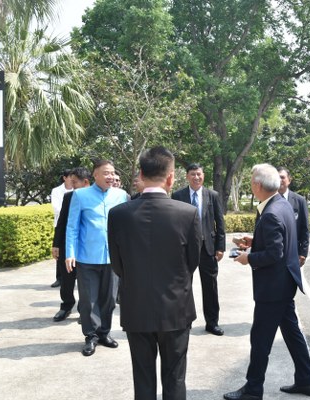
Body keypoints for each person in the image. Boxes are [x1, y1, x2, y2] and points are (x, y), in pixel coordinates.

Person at [108, 147, 202, 400]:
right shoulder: (187, 213)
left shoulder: (118, 214)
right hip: (176, 307)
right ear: (171, 177)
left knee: (143, 378)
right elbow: (192, 262)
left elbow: (117, 265)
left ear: (140, 173)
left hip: (136, 306)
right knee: (175, 378)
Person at [224, 163, 310, 400]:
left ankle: (253, 390)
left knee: (260, 339)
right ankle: (306, 380)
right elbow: (280, 241)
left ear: (257, 185)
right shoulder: (281, 204)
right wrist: (255, 241)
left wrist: (248, 257)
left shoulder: (271, 213)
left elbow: (275, 253)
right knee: (292, 333)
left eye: (251, 181)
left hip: (273, 288)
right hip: (284, 284)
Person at [65, 159, 129, 356]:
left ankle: (104, 333)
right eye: (106, 173)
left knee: (109, 300)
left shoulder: (121, 196)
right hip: (87, 258)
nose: (110, 176)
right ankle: (90, 336)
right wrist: (70, 253)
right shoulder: (80, 195)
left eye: (112, 172)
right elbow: (72, 227)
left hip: (112, 258)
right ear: (95, 175)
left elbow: (126, 226)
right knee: (88, 301)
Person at [172, 163, 226, 336]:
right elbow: (174, 223)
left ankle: (212, 323)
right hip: (185, 249)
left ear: (203, 176)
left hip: (208, 248)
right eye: (193, 174)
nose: (196, 177)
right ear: (187, 176)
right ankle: (184, 322)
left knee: (210, 287)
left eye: (199, 174)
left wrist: (220, 247)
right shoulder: (178, 195)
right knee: (183, 286)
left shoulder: (212, 195)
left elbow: (220, 222)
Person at [51, 167, 91, 322]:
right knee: (66, 280)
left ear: (85, 182)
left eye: (75, 182)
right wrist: (56, 244)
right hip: (67, 245)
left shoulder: (95, 197)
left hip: (86, 247)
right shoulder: (69, 197)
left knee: (85, 282)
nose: (72, 185)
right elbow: (61, 222)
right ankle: (66, 306)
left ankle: (84, 310)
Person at [277, 167, 310, 267]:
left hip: (293, 252)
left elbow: (305, 229)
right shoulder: (267, 201)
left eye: (282, 177)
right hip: (272, 253)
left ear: (289, 180)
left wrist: (303, 253)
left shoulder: (300, 201)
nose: (279, 180)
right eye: (276, 177)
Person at [50, 169, 73, 287]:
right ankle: (59, 278)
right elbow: (56, 208)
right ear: (65, 178)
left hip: (73, 225)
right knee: (59, 251)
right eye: (70, 177)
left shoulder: (76, 190)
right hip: (60, 224)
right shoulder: (57, 191)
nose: (72, 179)